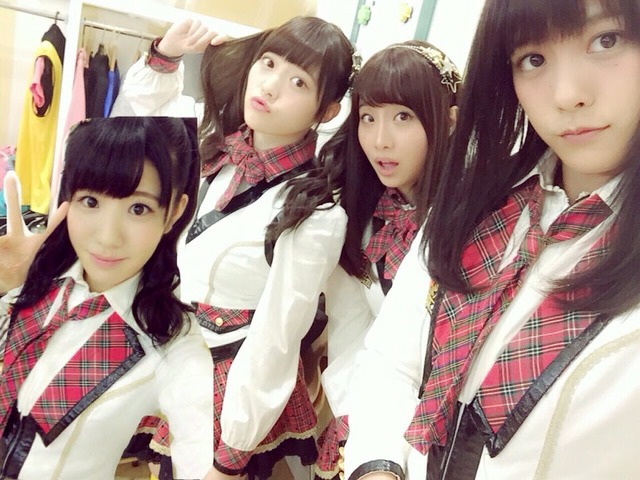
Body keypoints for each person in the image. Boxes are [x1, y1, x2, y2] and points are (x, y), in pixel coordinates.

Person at [344, 0, 640, 478]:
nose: (567, 95)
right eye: (533, 59)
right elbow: (393, 358)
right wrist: (378, 467)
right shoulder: (474, 205)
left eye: (607, 40)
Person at [114, 15, 355, 480]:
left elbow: (275, 340)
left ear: (326, 111)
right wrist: (165, 57)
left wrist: (230, 457)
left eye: (298, 82)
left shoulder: (316, 214)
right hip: (172, 362)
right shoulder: (216, 151)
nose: (270, 86)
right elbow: (131, 134)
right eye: (268, 63)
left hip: (230, 396)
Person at [0, 117, 215, 479]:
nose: (107, 238)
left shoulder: (171, 340)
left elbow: (200, 447)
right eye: (90, 201)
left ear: (173, 212)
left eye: (138, 208)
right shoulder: (37, 279)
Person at [311, 41, 460, 480]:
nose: (381, 140)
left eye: (403, 117)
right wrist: (357, 418)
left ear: (450, 122)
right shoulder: (363, 216)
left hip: (455, 437)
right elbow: (353, 333)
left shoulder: (477, 222)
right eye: (368, 118)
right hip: (377, 424)